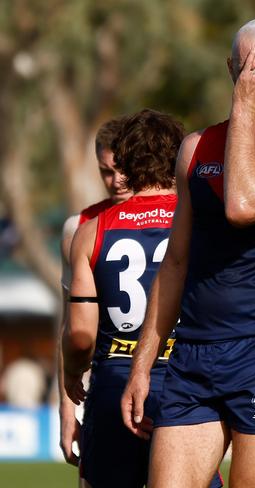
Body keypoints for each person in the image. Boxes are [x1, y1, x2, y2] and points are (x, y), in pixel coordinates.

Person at [121, 18, 255, 488]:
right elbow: (175, 261)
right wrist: (143, 364)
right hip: (193, 354)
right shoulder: (194, 149)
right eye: (248, 70)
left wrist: (244, 104)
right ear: (230, 69)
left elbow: (245, 204)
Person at [61, 109, 204, 487]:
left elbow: (79, 335)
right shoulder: (204, 222)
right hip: (187, 381)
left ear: (123, 162)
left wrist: (72, 374)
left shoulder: (91, 232)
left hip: (115, 381)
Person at [58, 117, 133, 466]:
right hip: (105, 383)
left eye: (124, 169)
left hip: (172, 383)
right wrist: (67, 406)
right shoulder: (80, 227)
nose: (116, 180)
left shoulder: (179, 218)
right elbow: (70, 325)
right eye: (106, 171)